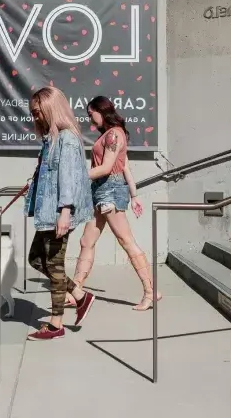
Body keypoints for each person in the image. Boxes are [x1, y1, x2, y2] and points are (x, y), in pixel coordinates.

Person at [67, 96, 162, 311]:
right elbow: (125, 166)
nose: (90, 120)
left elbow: (107, 168)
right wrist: (134, 194)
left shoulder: (113, 134)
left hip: (108, 190)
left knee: (126, 240)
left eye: (91, 114)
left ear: (102, 110)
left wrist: (75, 176)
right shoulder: (110, 135)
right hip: (101, 190)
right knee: (86, 241)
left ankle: (151, 291)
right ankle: (76, 291)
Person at [24, 86, 96, 341]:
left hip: (58, 213)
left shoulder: (66, 139)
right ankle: (79, 295)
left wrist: (65, 212)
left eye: (38, 112)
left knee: (54, 267)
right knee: (35, 259)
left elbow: (69, 179)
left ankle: (56, 324)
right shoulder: (52, 140)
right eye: (33, 113)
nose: (35, 118)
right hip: (48, 212)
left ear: (50, 109)